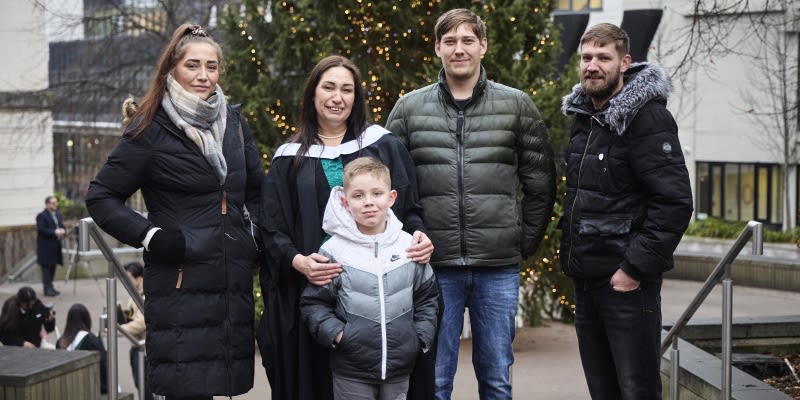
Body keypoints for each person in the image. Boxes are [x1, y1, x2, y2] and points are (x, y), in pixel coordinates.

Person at [384, 8, 557, 400]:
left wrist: (521, 243)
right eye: (450, 41)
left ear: (483, 46)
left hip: (497, 269)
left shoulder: (517, 105)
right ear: (437, 48)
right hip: (432, 266)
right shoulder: (409, 109)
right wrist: (408, 242)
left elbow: (541, 185)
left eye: (467, 41)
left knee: (496, 377)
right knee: (434, 378)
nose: (458, 49)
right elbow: (387, 184)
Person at [85, 23, 263, 400]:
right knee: (187, 391)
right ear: (172, 69)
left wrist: (253, 239)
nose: (203, 75)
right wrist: (153, 236)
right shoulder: (150, 128)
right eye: (193, 65)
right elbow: (101, 197)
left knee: (220, 386)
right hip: (180, 285)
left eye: (211, 66)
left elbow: (256, 192)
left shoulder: (233, 123)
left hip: (230, 285)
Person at [258, 55, 435, 400]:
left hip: (381, 297)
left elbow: (410, 208)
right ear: (312, 94)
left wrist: (420, 235)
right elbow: (271, 228)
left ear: (356, 98)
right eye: (328, 87)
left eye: (346, 89)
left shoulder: (382, 145)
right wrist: (297, 261)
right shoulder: (288, 159)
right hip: (315, 290)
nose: (337, 97)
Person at [559, 23, 693, 399]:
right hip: (587, 284)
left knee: (637, 391)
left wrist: (632, 270)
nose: (593, 65)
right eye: (587, 57)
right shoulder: (584, 119)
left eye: (604, 57)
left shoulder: (647, 119)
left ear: (624, 62)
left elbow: (675, 203)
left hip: (627, 288)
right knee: (603, 391)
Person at [300, 157, 439, 400]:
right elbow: (314, 303)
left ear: (392, 197)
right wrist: (338, 335)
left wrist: (418, 338)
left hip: (400, 368)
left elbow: (428, 298)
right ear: (345, 201)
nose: (369, 203)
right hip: (351, 370)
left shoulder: (409, 246)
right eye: (358, 196)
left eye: (377, 193)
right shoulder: (334, 251)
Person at [119, 261, 153, 400]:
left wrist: (119, 329)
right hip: (136, 346)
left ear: (139, 278)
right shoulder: (136, 292)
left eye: (129, 278)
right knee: (140, 385)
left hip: (143, 349)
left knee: (145, 387)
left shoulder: (145, 294)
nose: (126, 281)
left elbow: (141, 322)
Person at [56, 303, 108, 394]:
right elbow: (103, 367)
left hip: (66, 390)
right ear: (87, 319)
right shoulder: (91, 342)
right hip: (89, 390)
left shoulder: (60, 343)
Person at [36, 195, 66, 296]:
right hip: (45, 247)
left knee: (53, 266)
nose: (55, 205)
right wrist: (55, 232)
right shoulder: (41, 216)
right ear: (47, 204)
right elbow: (41, 229)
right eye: (53, 203)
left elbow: (61, 225)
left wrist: (62, 230)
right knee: (46, 269)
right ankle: (47, 288)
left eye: (56, 202)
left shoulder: (57, 214)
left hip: (55, 246)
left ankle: (51, 287)